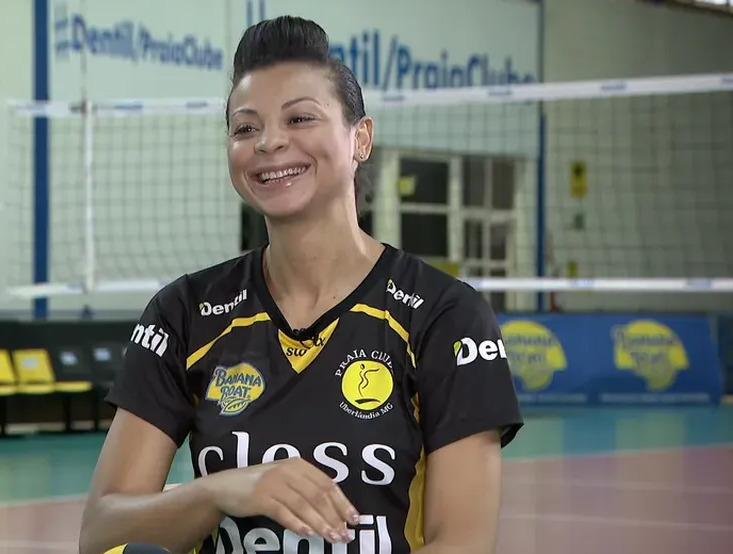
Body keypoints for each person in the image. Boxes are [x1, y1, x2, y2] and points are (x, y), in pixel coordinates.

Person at [79, 15, 523, 554]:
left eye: (300, 118)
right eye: (245, 128)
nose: (269, 142)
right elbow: (101, 531)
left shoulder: (443, 315)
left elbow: (465, 543)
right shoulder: (185, 313)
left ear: (361, 138)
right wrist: (221, 491)